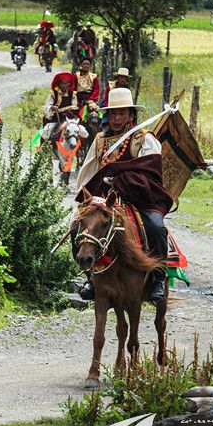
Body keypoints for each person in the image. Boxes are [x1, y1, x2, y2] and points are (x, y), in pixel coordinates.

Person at [72, 87, 171, 303]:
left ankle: (157, 277)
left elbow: (151, 175)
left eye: (122, 113)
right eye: (113, 114)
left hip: (139, 198)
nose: (117, 118)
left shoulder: (144, 139)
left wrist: (121, 180)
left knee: (155, 227)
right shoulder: (100, 140)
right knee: (76, 229)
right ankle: (91, 276)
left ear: (131, 114)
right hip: (105, 200)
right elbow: (90, 171)